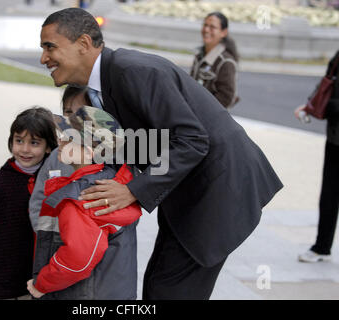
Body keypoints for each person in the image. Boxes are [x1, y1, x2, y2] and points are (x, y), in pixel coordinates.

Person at [39, 8, 283, 300]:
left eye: (50, 47)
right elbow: (141, 142)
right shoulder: (107, 80)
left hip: (217, 190)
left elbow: (191, 140)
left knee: (168, 291)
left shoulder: (134, 72)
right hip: (186, 191)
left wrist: (132, 190)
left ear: (83, 44)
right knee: (159, 286)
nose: (43, 58)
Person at [27, 106, 141, 299]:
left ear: (89, 152)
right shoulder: (115, 183)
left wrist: (43, 284)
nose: (60, 141)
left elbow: (77, 259)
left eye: (69, 139)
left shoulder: (81, 197)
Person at [0, 107, 57, 300]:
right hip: (2, 277)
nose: (24, 149)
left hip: (42, 280)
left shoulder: (55, 183)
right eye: (19, 141)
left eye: (34, 143)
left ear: (48, 146)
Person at [296, 50, 339, 263]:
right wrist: (311, 106)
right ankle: (322, 247)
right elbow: (326, 84)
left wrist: (327, 107)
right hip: (335, 138)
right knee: (329, 195)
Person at [29, 85, 90, 232]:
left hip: (94, 248)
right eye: (68, 112)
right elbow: (38, 200)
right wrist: (50, 235)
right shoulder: (56, 156)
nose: (72, 119)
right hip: (56, 244)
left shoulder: (110, 160)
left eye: (81, 113)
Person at [190, 11, 240, 109]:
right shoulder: (199, 56)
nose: (206, 30)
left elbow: (226, 99)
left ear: (224, 32)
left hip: (208, 119)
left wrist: (203, 110)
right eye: (205, 25)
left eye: (212, 27)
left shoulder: (226, 62)